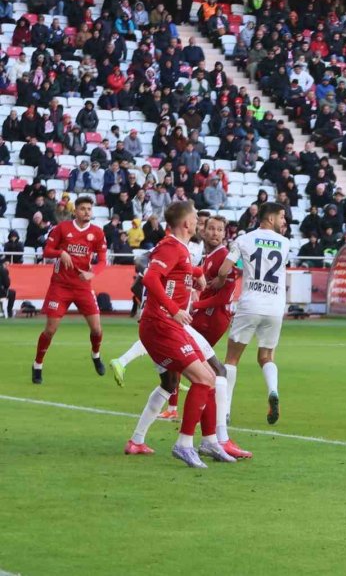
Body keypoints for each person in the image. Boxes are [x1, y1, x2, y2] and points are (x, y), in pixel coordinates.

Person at [125, 200, 235, 468]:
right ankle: (184, 444)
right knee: (203, 378)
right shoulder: (171, 247)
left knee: (206, 378)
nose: (199, 222)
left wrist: (196, 273)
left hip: (170, 325)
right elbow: (151, 279)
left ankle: (208, 440)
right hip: (161, 324)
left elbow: (181, 269)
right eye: (196, 218)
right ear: (187, 224)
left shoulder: (181, 250)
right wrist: (174, 309)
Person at [213, 202, 289, 426]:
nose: (284, 222)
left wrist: (221, 279)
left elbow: (224, 270)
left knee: (232, 359)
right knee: (266, 356)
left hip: (250, 304)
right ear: (271, 219)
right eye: (282, 217)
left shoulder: (244, 239)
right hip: (275, 307)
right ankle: (273, 391)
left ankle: (225, 411)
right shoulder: (285, 244)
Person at [32, 197, 108, 384]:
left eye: (89, 209)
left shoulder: (97, 233)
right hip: (60, 286)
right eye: (82, 209)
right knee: (50, 330)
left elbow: (103, 260)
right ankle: (37, 365)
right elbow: (46, 251)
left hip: (83, 286)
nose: (86, 212)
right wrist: (61, 252)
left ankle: (96, 354)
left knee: (97, 329)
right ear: (75, 211)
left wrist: (93, 273)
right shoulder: (62, 228)